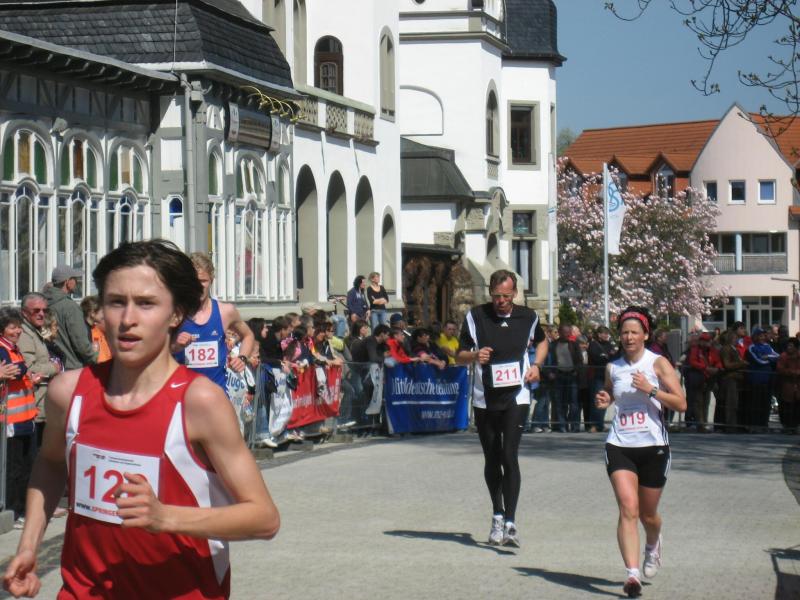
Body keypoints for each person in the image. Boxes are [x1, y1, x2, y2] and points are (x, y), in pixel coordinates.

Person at [3, 239, 279, 599]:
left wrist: (165, 517)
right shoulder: (68, 393)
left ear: (176, 314)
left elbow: (263, 518)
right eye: (116, 302)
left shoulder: (199, 402)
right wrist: (29, 545)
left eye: (146, 303)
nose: (128, 319)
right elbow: (51, 463)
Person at [594, 306, 686, 598]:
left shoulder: (657, 363)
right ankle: (632, 574)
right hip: (620, 444)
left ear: (645, 335)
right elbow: (611, 391)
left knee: (648, 515)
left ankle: (653, 543)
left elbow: (681, 403)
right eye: (624, 332)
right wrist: (605, 398)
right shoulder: (613, 366)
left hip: (654, 446)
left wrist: (651, 389)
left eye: (634, 332)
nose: (629, 337)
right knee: (627, 508)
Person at [456, 269, 548, 547]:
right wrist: (475, 355)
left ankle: (510, 522)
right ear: (490, 294)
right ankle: (497, 514)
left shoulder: (528, 317)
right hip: (485, 397)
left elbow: (542, 341)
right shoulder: (476, 316)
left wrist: (536, 365)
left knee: (509, 455)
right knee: (492, 457)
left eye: (506, 296)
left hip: (517, 395)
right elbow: (459, 355)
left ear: (515, 293)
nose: (501, 301)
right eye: (496, 296)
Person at [172, 253, 254, 395]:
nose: (198, 286)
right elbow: (155, 349)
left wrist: (242, 358)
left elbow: (248, 335)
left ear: (211, 280)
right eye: (193, 281)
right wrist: (175, 346)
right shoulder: (175, 312)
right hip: (182, 395)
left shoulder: (225, 311)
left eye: (203, 281)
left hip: (216, 396)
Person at [0, 308, 40, 529]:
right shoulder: (3, 349)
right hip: (11, 420)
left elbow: (18, 371)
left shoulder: (13, 348)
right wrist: (24, 369)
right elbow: (15, 370)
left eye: (19, 326)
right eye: (12, 327)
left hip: (26, 417)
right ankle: (13, 510)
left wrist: (27, 375)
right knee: (13, 468)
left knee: (26, 466)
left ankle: (22, 509)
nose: (17, 331)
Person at [18, 293, 61, 447]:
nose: (42, 314)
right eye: (36, 310)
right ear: (24, 312)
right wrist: (53, 367)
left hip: (40, 401)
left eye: (45, 310)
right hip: (33, 403)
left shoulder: (34, 331)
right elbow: (28, 369)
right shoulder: (24, 334)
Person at [42, 265, 95, 370]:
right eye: (75, 279)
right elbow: (81, 344)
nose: (77, 282)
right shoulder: (70, 307)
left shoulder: (42, 303)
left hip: (53, 366)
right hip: (72, 368)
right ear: (68, 282)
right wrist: (95, 358)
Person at [80, 295, 112, 363]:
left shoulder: (96, 329)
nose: (104, 315)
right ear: (92, 313)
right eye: (102, 312)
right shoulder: (83, 330)